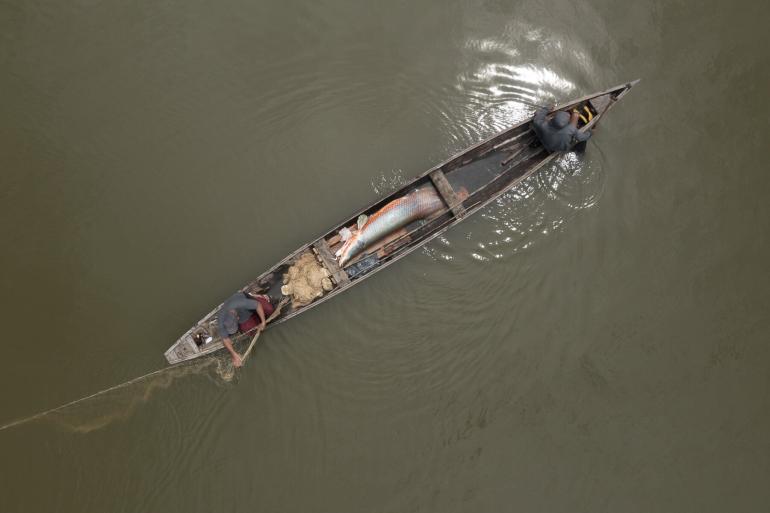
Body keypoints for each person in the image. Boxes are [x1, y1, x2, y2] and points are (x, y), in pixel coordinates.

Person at [217, 291, 274, 367]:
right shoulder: (221, 319)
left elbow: (258, 305)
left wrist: (263, 322)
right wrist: (234, 354)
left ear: (236, 317)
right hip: (243, 316)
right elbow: (225, 339)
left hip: (245, 302)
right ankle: (255, 319)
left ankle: (258, 296)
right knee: (252, 332)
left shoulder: (239, 303)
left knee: (269, 310)